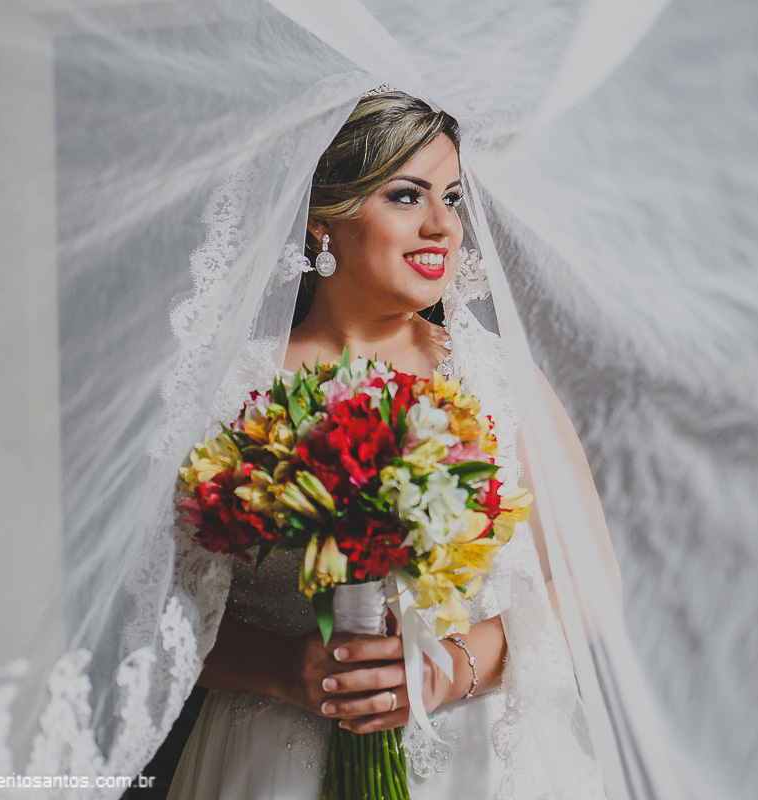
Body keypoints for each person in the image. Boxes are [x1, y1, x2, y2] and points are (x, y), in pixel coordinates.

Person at [166, 90, 612, 800]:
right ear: (323, 220)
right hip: (271, 755)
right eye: (407, 196)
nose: (443, 225)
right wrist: (284, 668)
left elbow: (591, 581)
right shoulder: (230, 391)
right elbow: (158, 607)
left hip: (474, 759)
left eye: (453, 197)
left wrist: (450, 670)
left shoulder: (494, 377)